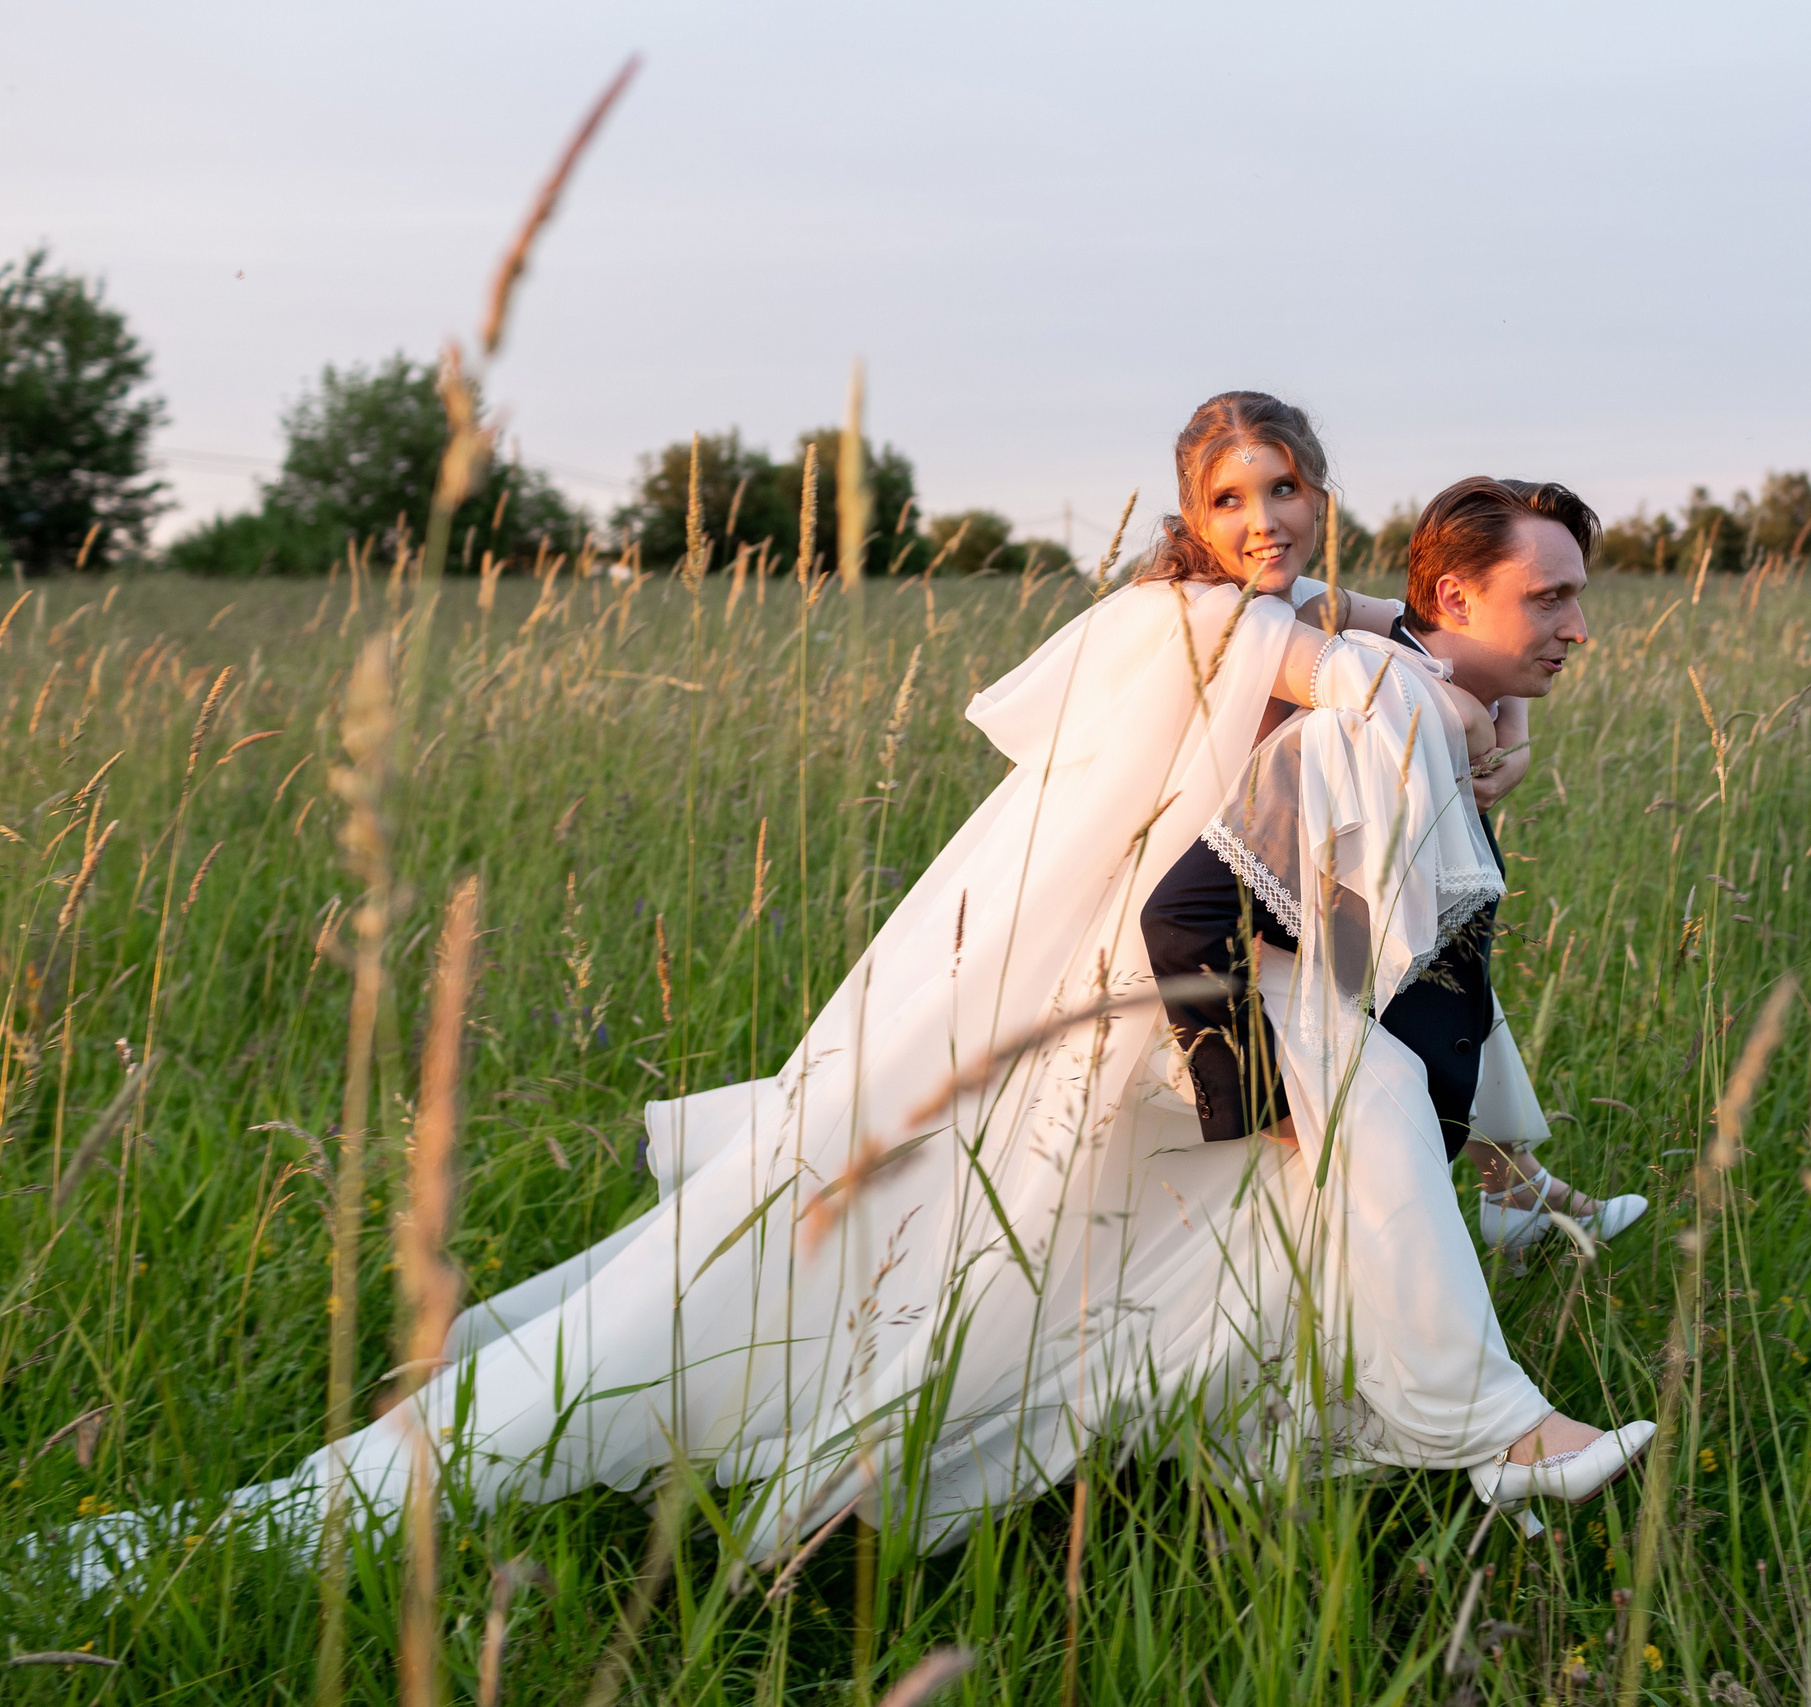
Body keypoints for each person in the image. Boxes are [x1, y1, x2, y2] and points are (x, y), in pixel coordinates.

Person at [45, 392, 1644, 1596]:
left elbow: (1357, 627)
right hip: (1124, 966)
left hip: (1210, 959)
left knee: (1157, 1222)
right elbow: (1338, 677)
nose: (1271, 516)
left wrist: (1433, 666)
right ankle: (826, 1483)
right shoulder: (1184, 614)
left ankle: (1434, 1260)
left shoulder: (1299, 612)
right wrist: (1439, 684)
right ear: (1186, 512)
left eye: (1290, 485)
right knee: (981, 1237)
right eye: (1234, 494)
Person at [1143, 472, 1649, 1263]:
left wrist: (1496, 702)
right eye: (1550, 598)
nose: (1580, 629)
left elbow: (1389, 617)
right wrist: (1275, 1115)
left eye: (1288, 489)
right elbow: (1185, 919)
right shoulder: (1359, 711)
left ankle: (1515, 1190)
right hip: (1257, 1037)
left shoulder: (1388, 661)